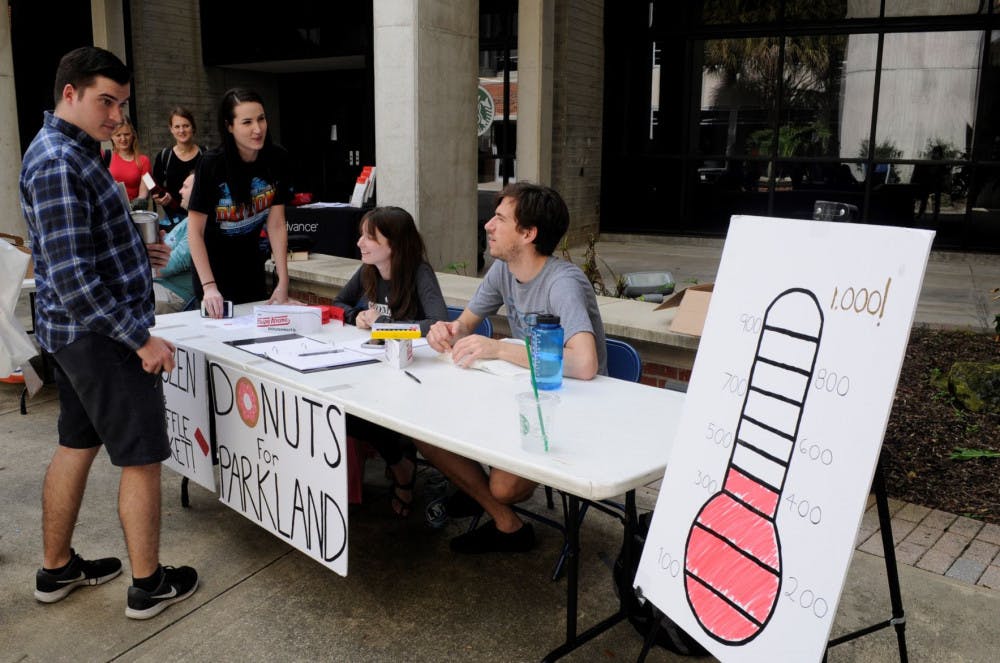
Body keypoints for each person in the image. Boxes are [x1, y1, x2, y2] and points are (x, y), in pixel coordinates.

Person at [18, 46, 198, 619]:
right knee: (141, 457)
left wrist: (131, 247)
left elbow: (77, 248)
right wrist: (140, 339)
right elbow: (72, 280)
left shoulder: (75, 150)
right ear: (69, 93)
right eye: (106, 102)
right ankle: (149, 585)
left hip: (80, 335)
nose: (117, 116)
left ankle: (57, 569)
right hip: (102, 336)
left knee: (76, 443)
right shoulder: (57, 161)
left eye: (121, 104)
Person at [420, 182, 607, 554]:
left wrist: (501, 350)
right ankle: (506, 522)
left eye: (500, 219)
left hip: (569, 404)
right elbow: (466, 325)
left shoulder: (562, 282)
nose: (488, 225)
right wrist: (446, 331)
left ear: (528, 233)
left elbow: (585, 364)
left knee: (503, 487)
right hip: (520, 394)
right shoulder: (503, 270)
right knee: (422, 430)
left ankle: (481, 492)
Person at [332, 206, 448, 516]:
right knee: (346, 409)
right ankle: (400, 462)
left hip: (414, 373)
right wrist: (356, 316)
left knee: (367, 411)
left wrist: (387, 327)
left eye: (369, 237)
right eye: (361, 235)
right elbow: (339, 303)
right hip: (372, 365)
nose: (360, 243)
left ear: (394, 244)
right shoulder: (367, 269)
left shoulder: (419, 272)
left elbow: (438, 322)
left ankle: (402, 468)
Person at [187, 88, 292, 314]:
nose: (257, 129)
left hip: (251, 267)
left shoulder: (277, 158)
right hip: (213, 274)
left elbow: (276, 224)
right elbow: (194, 231)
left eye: (261, 119)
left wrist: (283, 281)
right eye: (247, 122)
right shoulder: (211, 164)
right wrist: (209, 286)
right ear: (229, 126)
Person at [151, 107, 202, 227]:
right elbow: (156, 188)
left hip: (200, 219)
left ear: (193, 127)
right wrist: (160, 198)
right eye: (177, 127)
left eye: (186, 126)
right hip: (173, 220)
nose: (181, 130)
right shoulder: (164, 156)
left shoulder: (205, 155)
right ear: (171, 129)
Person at [153, 173, 196, 313]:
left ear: (198, 191)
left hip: (174, 293)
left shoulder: (197, 224)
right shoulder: (187, 220)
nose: (180, 191)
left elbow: (168, 266)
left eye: (185, 187)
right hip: (160, 285)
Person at [106, 117, 151, 211]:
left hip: (134, 213)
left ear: (133, 135)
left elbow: (146, 191)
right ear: (111, 137)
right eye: (118, 135)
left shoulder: (144, 161)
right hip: (110, 212)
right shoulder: (105, 157)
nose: (123, 139)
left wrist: (135, 205)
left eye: (127, 134)